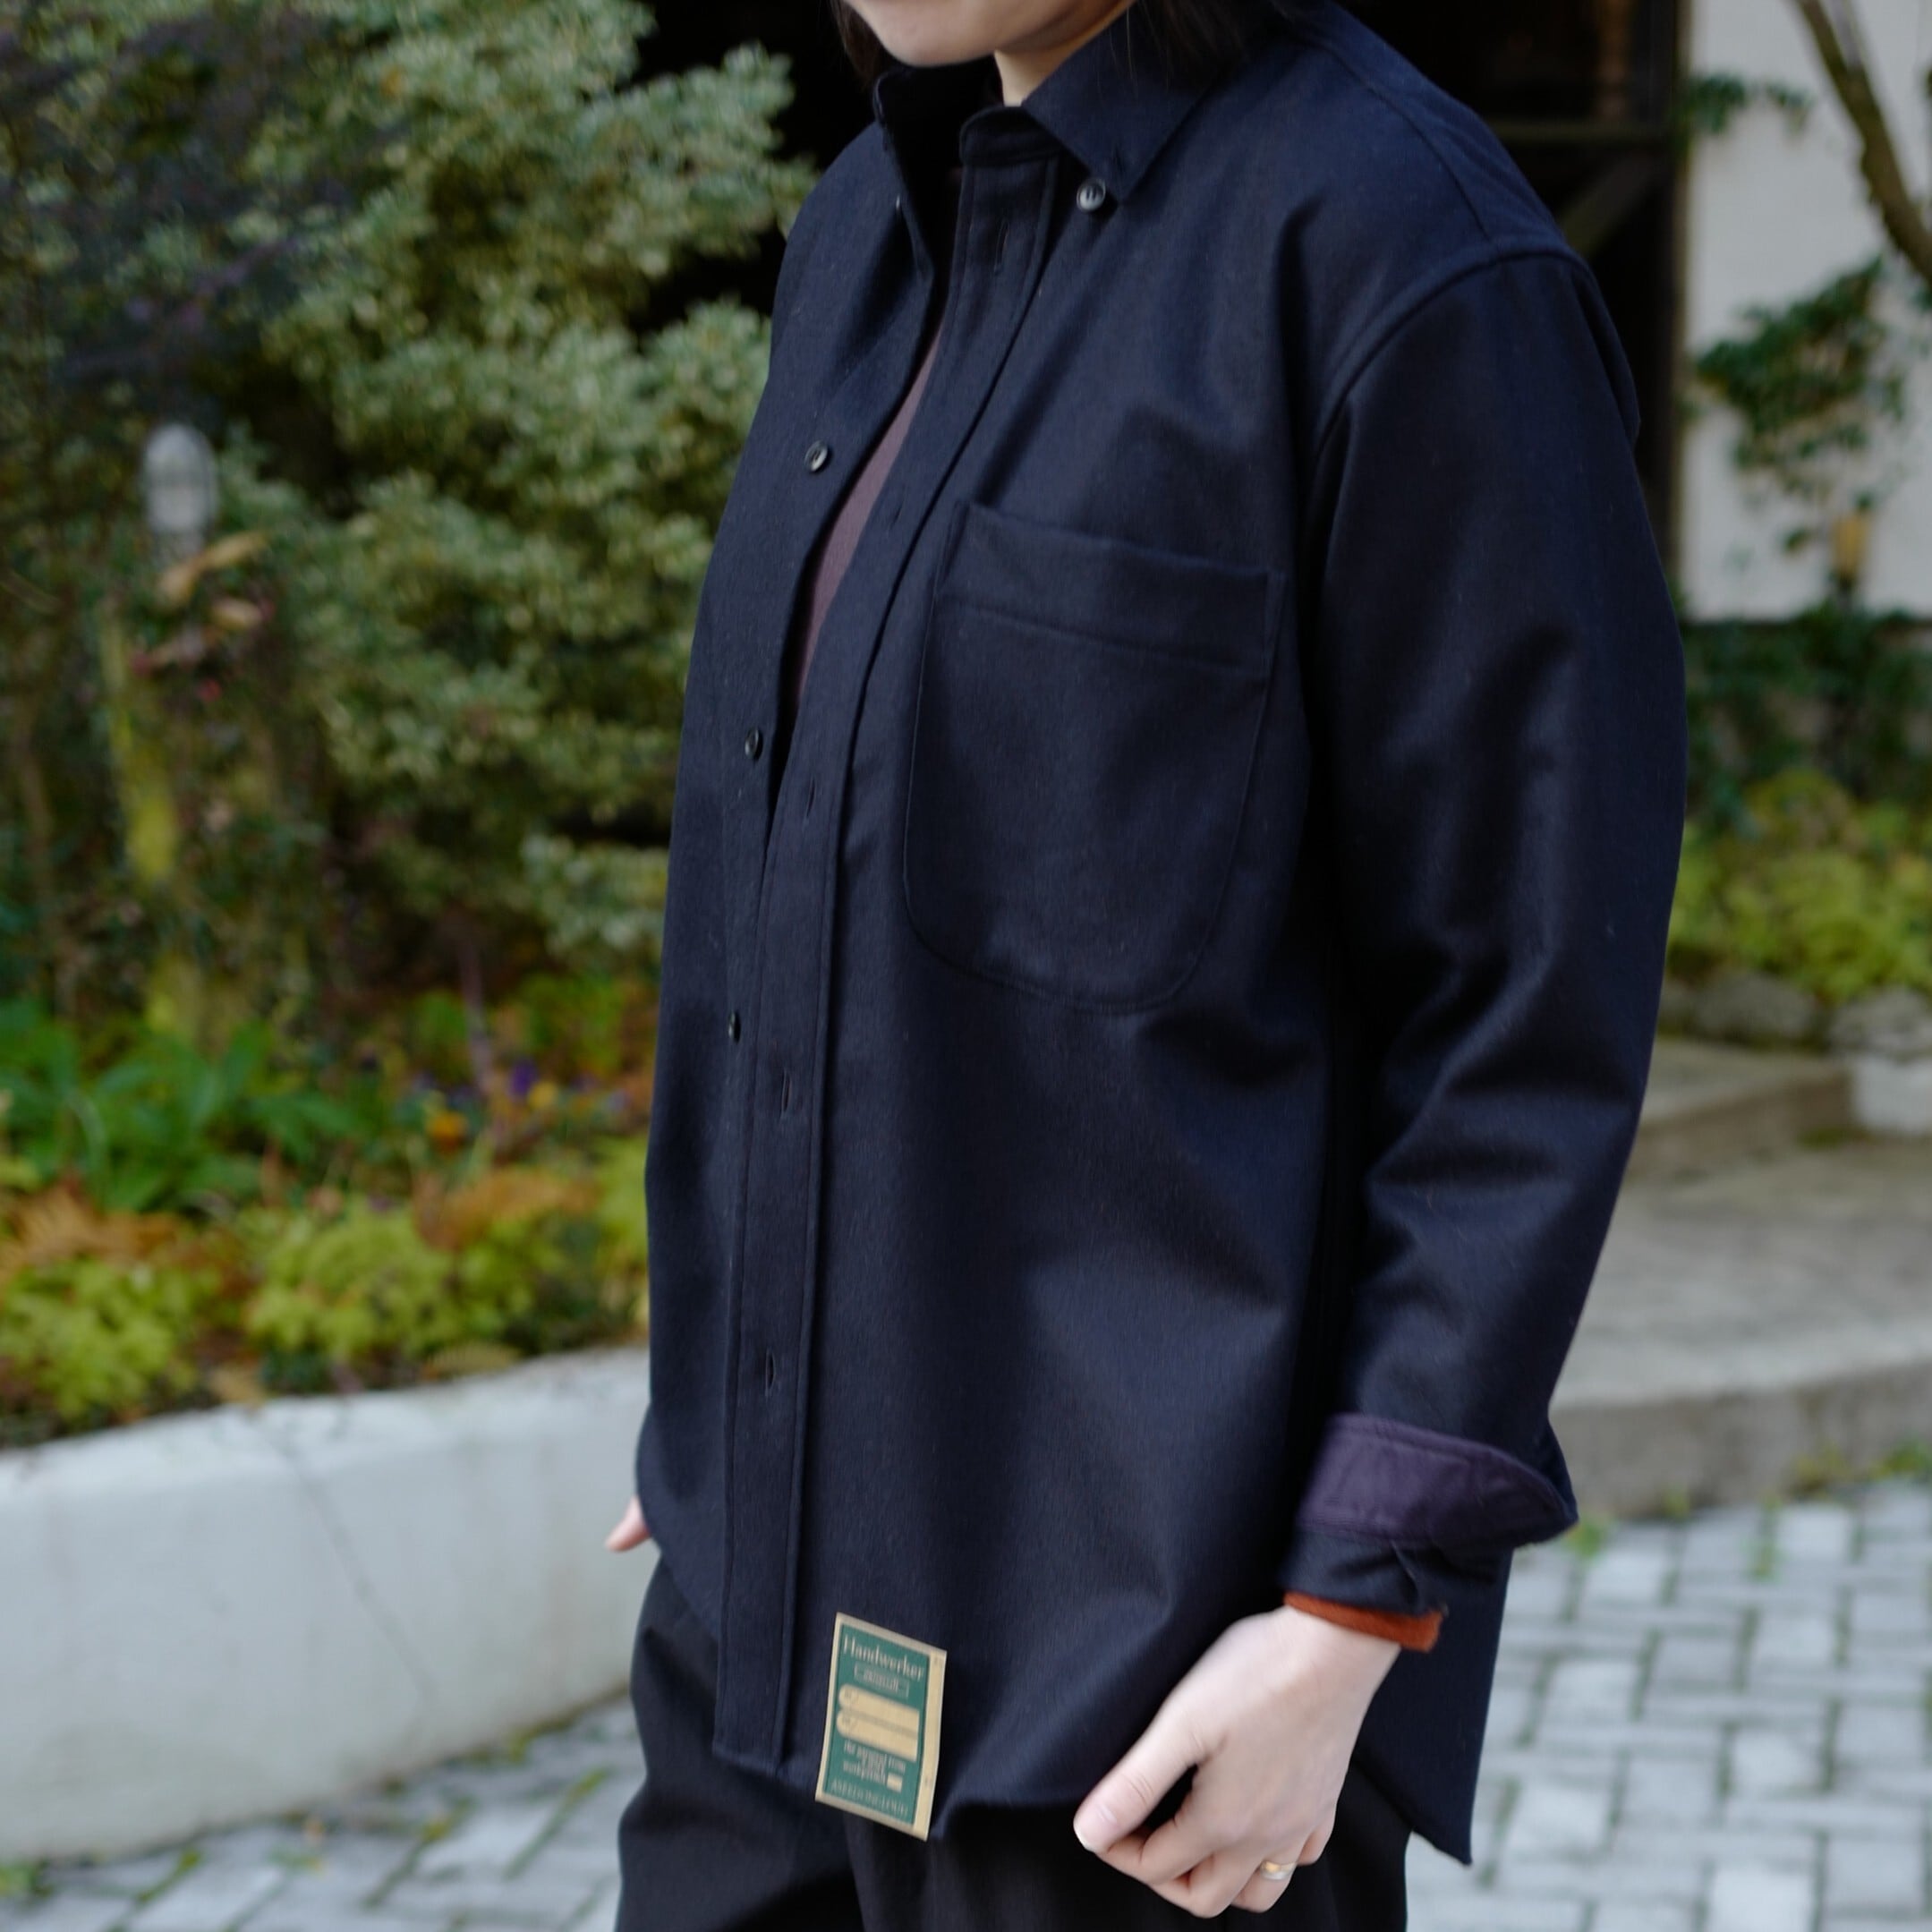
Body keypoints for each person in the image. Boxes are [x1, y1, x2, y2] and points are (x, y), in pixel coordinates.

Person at [604, 0, 1686, 1922]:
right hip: (755, 1650)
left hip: (1139, 1713)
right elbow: (787, 868)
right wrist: (733, 1392)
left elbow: (1521, 1015)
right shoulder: (870, 218)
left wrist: (1351, 1615)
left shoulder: (1405, 252)